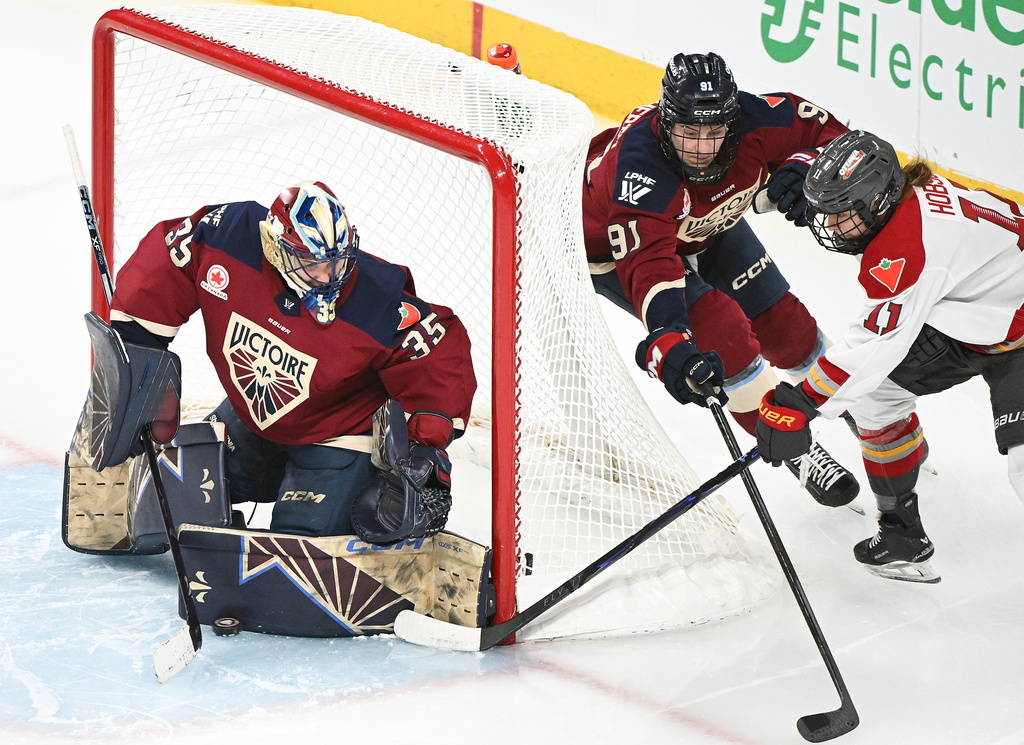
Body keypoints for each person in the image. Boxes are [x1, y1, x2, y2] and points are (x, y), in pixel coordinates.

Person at [107, 180, 477, 540]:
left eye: (337, 261)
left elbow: (438, 349)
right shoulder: (228, 237)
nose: (328, 276)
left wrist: (423, 449)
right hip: (253, 419)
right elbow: (170, 258)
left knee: (299, 556)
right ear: (275, 246)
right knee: (161, 499)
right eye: (311, 262)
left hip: (338, 433)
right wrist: (140, 353)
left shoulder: (376, 298)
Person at [582, 51, 858, 507]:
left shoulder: (758, 118)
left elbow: (832, 136)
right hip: (615, 250)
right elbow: (650, 263)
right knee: (721, 333)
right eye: (689, 132)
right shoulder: (640, 171)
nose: (702, 148)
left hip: (704, 226)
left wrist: (807, 162)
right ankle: (796, 448)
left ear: (734, 118)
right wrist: (669, 335)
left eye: (714, 131)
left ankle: (857, 406)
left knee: (787, 327)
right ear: (666, 122)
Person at [756, 130, 1024, 583]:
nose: (830, 226)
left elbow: (873, 346)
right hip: (976, 315)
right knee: (875, 398)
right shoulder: (906, 200)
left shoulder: (906, 247)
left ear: (876, 203)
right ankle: (902, 533)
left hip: (1014, 328)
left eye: (842, 215)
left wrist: (801, 403)